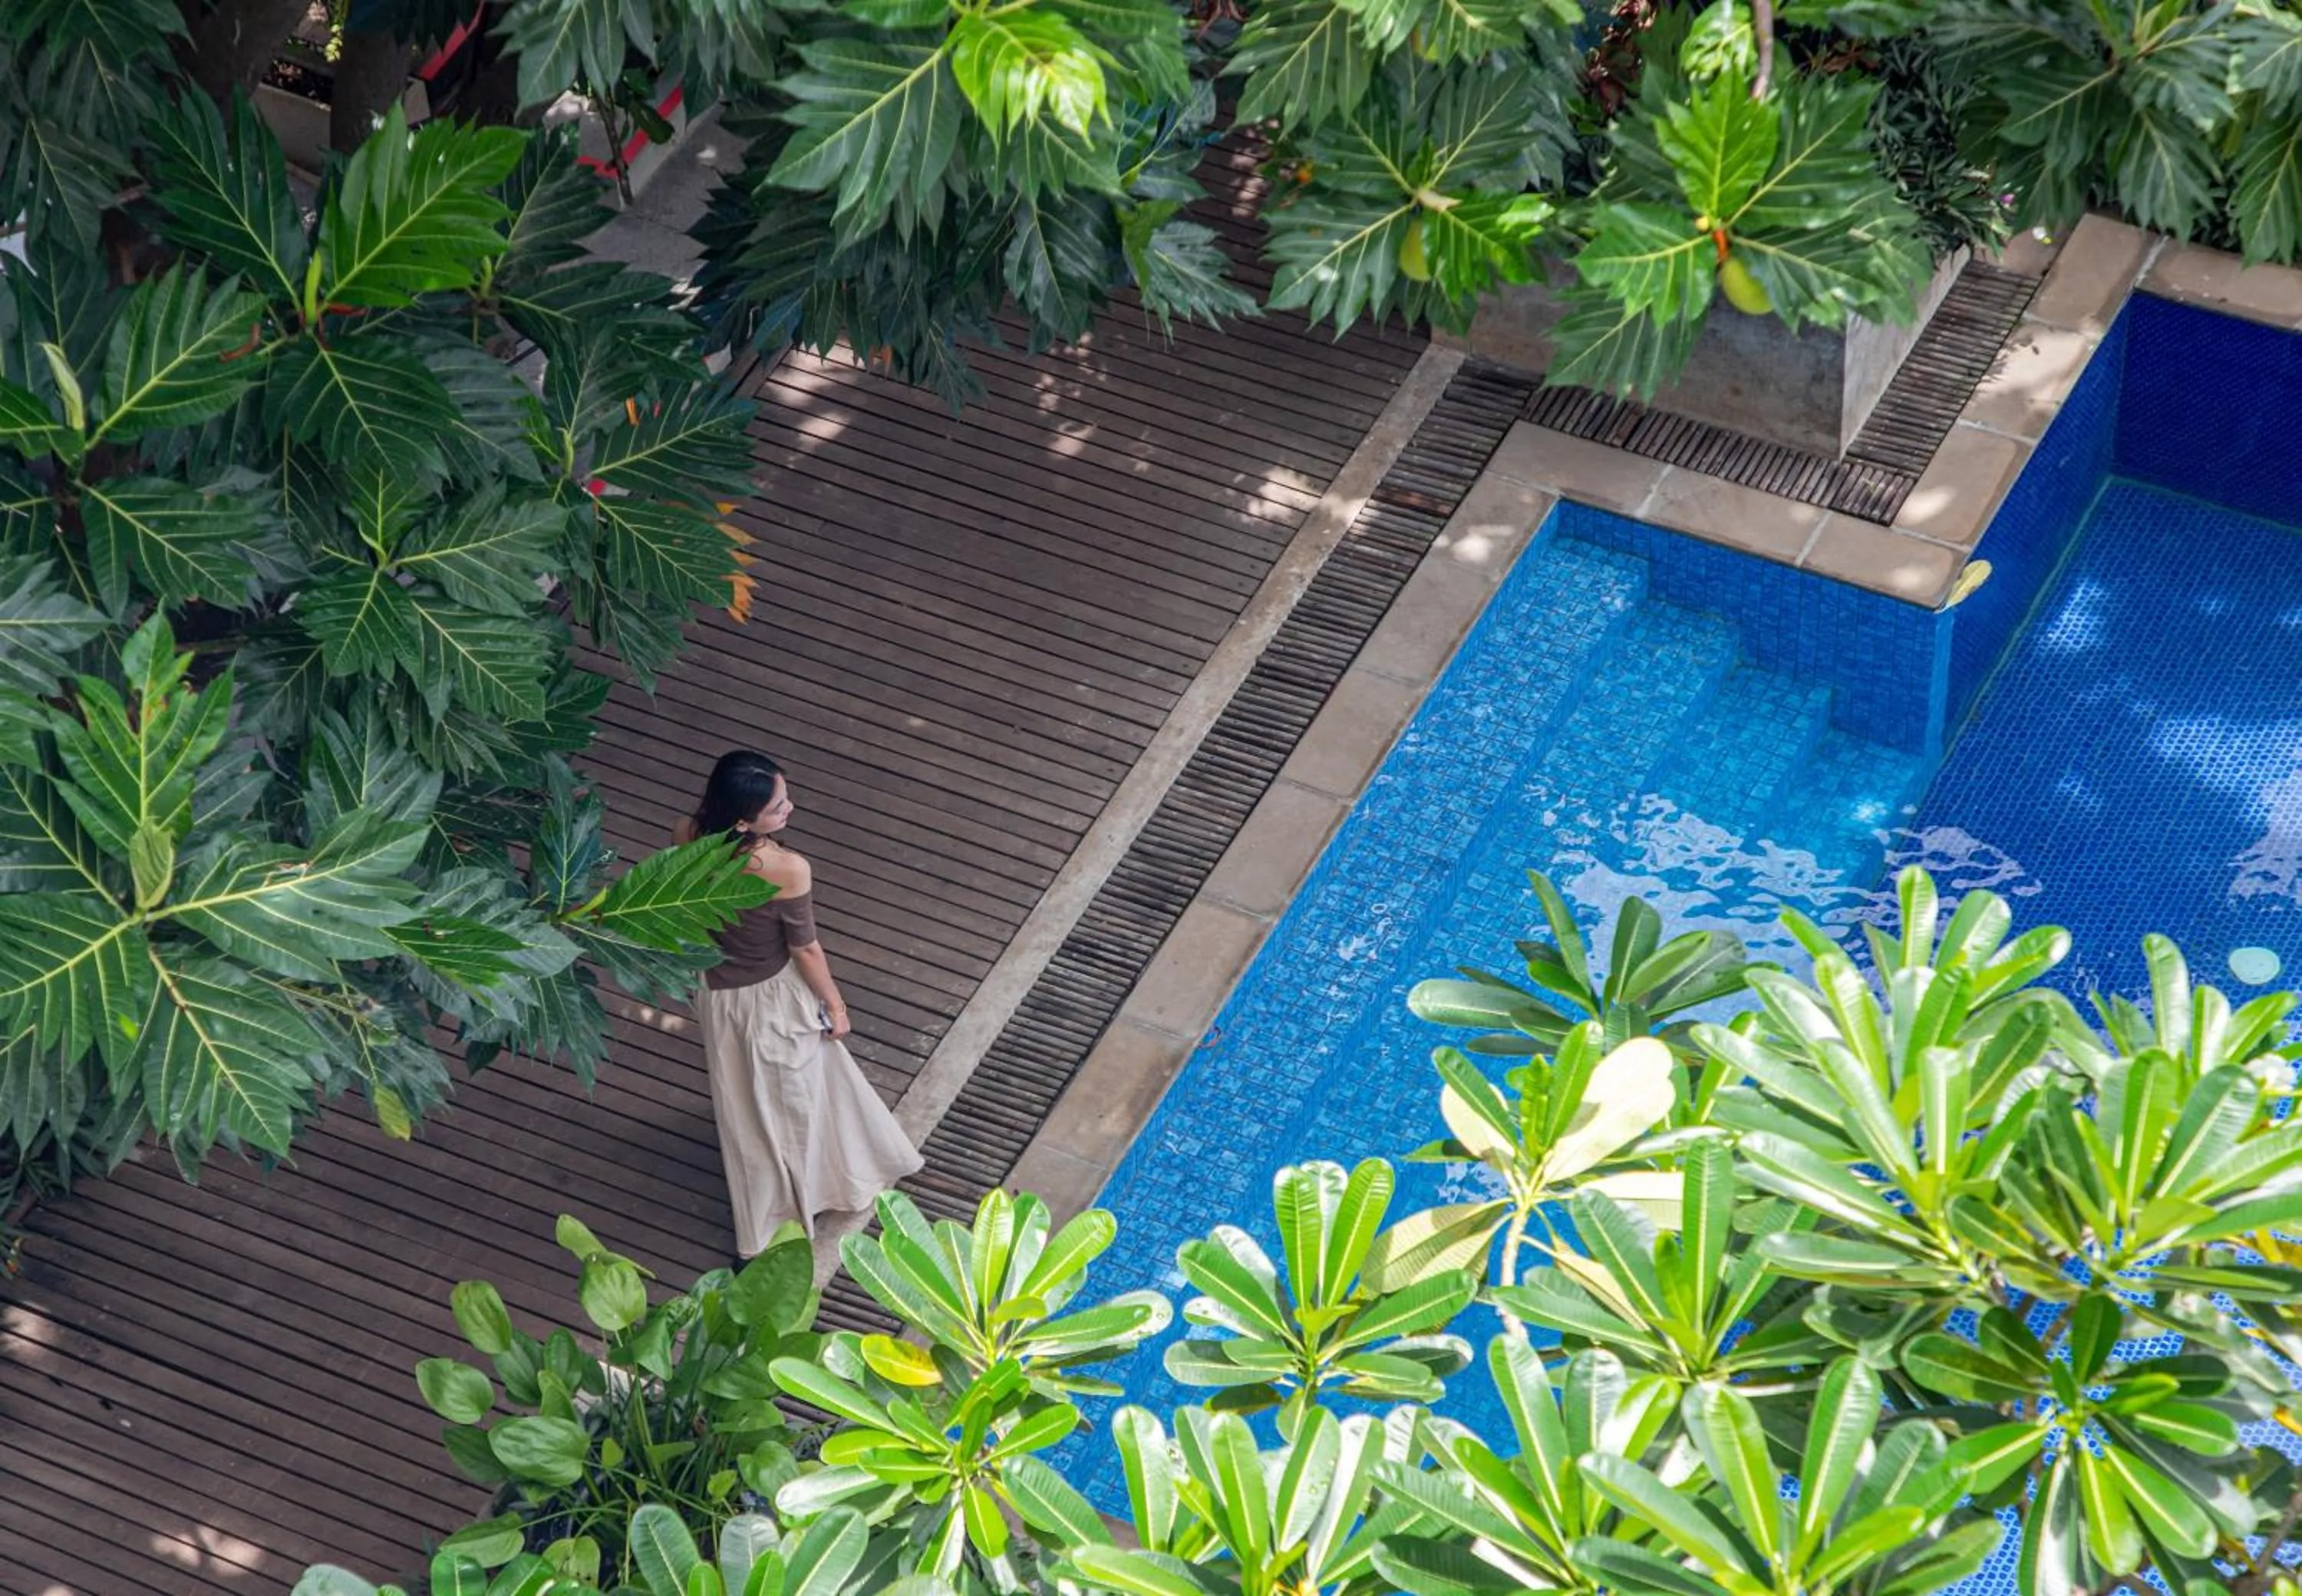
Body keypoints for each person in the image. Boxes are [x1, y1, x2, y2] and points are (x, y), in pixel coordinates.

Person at [674, 750, 922, 1256]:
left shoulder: (687, 835)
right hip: (770, 999)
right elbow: (804, 948)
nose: (790, 810)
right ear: (744, 820)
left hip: (717, 993)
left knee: (744, 1102)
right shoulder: (785, 868)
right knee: (789, 1106)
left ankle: (793, 1195)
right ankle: (792, 1211)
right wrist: (837, 1005)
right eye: (778, 807)